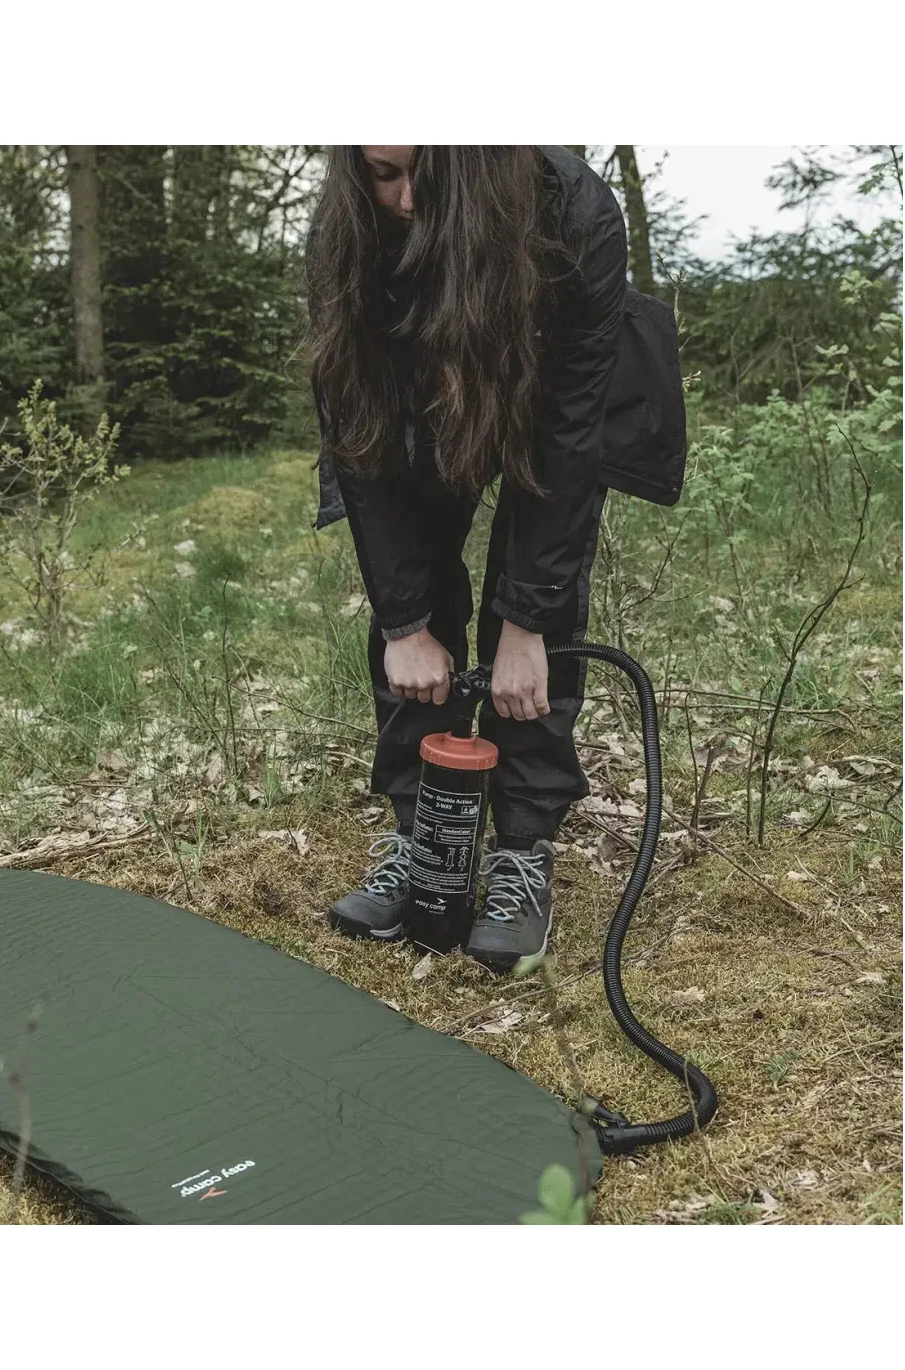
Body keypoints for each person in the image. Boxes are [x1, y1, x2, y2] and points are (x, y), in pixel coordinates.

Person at [306, 145, 627, 975]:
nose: (405, 198)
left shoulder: (573, 216)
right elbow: (360, 439)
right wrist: (404, 624)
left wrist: (527, 626)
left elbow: (569, 445)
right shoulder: (347, 231)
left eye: (426, 172)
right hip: (414, 410)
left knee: (540, 605)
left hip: (544, 406)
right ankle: (426, 842)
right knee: (412, 594)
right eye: (381, 173)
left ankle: (522, 849)